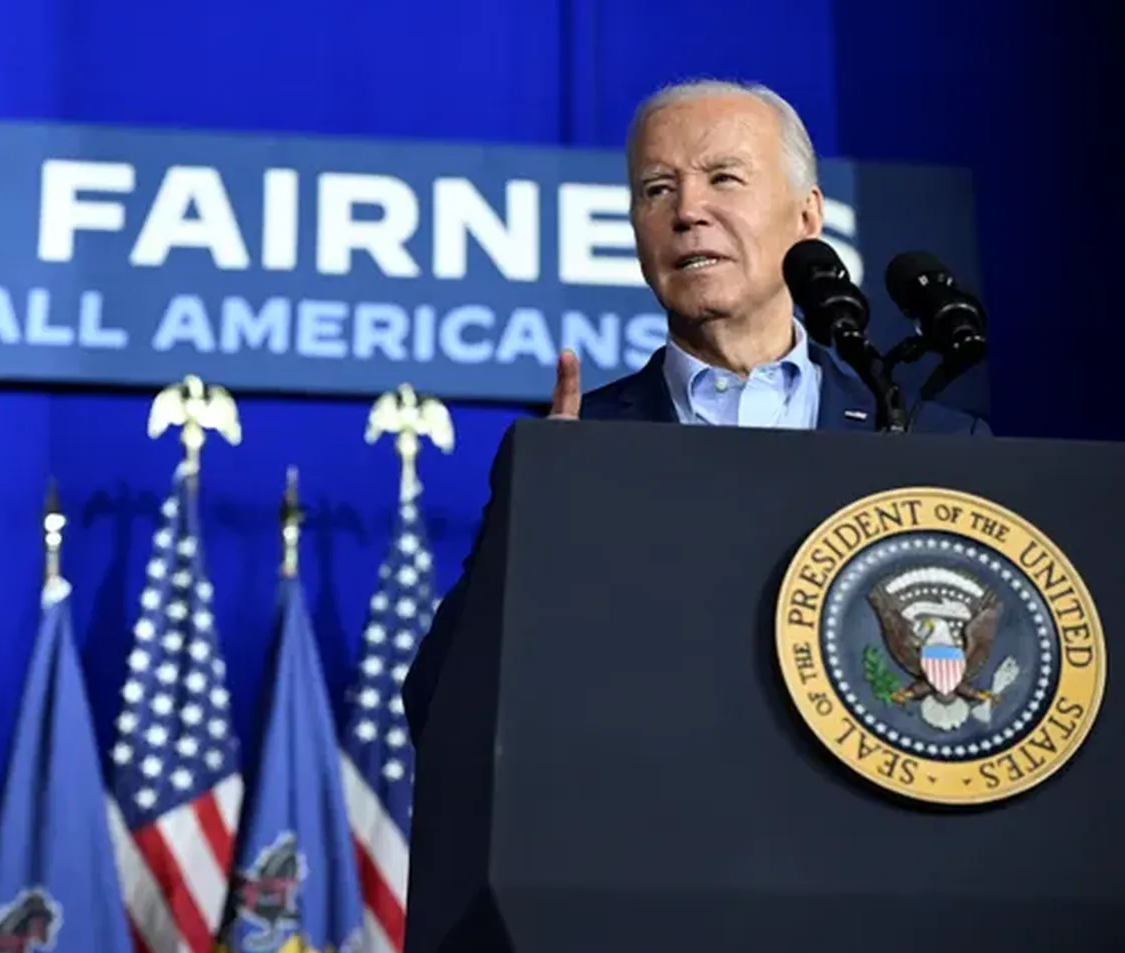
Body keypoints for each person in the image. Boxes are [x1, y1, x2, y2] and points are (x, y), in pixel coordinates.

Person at [401, 78, 990, 750]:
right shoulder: (575, 448)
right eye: (657, 189)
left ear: (806, 215)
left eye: (724, 178)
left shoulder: (931, 439)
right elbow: (438, 703)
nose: (688, 211)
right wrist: (535, 534)